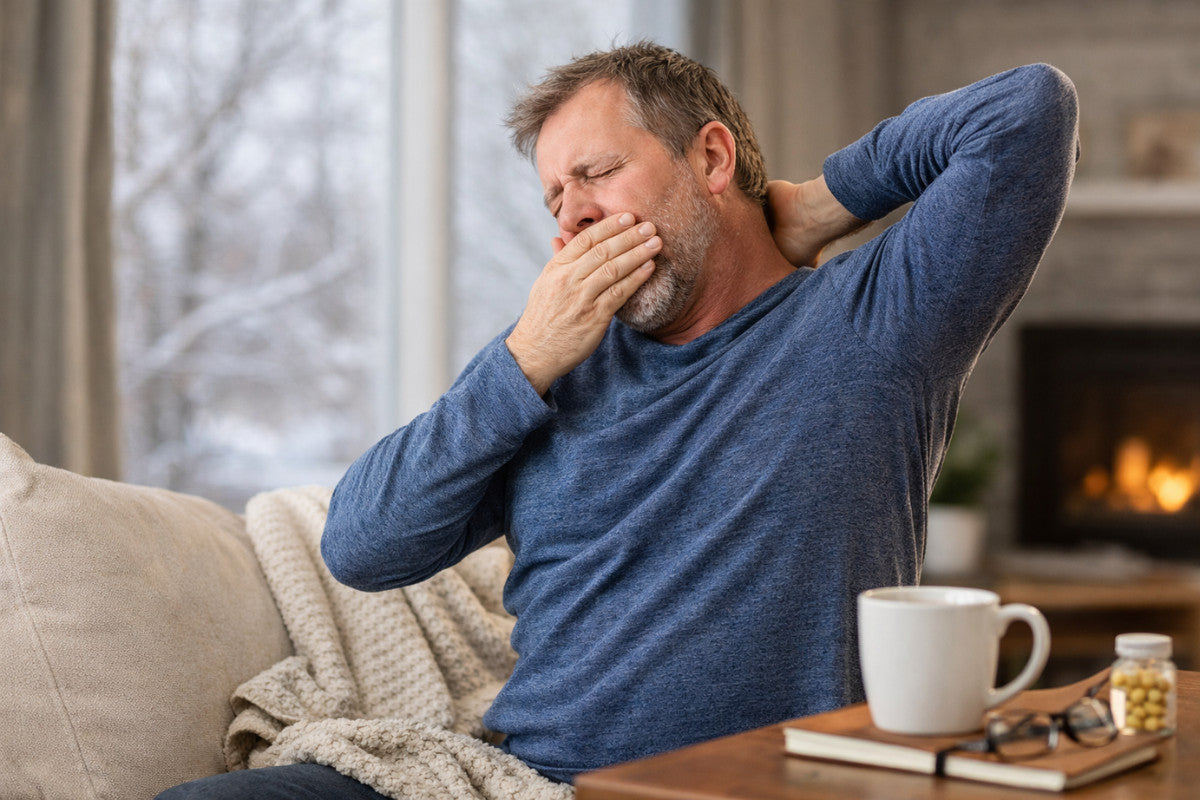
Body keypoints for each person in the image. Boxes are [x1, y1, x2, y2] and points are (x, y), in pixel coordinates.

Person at [159, 42, 1079, 798]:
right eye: (556, 201)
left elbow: (1026, 112)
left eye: (596, 174)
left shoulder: (873, 324)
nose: (573, 221)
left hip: (762, 786)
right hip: (525, 782)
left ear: (711, 160)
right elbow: (362, 546)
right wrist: (522, 359)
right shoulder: (547, 367)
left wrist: (808, 206)